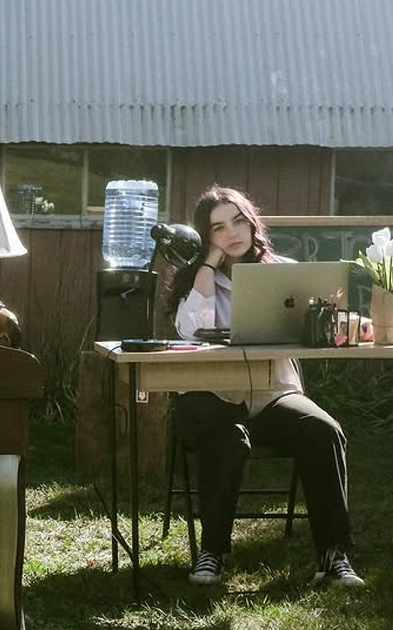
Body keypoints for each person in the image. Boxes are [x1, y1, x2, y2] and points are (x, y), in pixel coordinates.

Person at [167, 186, 366, 587]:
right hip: (214, 399)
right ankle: (212, 553)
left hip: (274, 394)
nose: (232, 233)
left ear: (251, 221)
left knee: (324, 431)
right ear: (207, 237)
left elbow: (322, 326)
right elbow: (189, 330)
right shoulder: (198, 281)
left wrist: (349, 323)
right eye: (218, 228)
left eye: (238, 221)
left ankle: (332, 556)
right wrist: (207, 265)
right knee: (226, 437)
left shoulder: (284, 271)